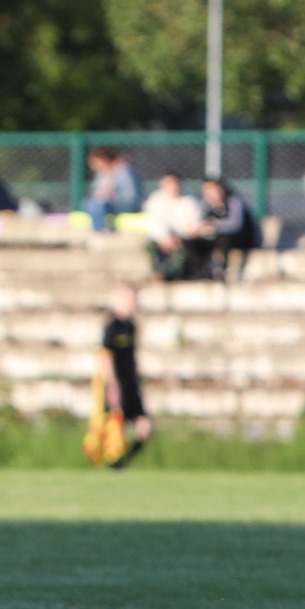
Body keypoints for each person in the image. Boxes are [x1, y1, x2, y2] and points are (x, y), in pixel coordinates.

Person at [96, 284, 151, 467]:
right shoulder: (112, 326)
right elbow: (105, 357)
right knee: (115, 427)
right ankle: (113, 463)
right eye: (131, 298)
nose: (134, 302)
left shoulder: (132, 325)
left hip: (131, 383)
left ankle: (122, 463)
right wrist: (112, 385)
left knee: (145, 428)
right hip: (117, 384)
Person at [142, 172, 206, 282]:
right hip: (162, 239)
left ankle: (168, 275)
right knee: (150, 247)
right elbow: (154, 222)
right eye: (169, 183)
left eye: (175, 183)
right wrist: (165, 238)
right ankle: (158, 273)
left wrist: (178, 238)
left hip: (183, 239)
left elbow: (193, 225)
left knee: (181, 251)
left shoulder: (190, 201)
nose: (173, 187)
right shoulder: (155, 200)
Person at [202, 177, 258, 279]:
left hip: (240, 239)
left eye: (212, 189)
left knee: (224, 236)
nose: (209, 193)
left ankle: (222, 270)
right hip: (219, 238)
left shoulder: (233, 201)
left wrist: (213, 225)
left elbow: (235, 224)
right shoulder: (207, 205)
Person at [83, 148, 139, 232]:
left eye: (95, 161)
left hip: (124, 204)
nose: (92, 165)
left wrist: (111, 197)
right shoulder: (102, 173)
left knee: (97, 205)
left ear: (104, 159)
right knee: (88, 203)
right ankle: (100, 229)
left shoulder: (123, 170)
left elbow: (130, 195)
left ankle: (102, 231)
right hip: (106, 204)